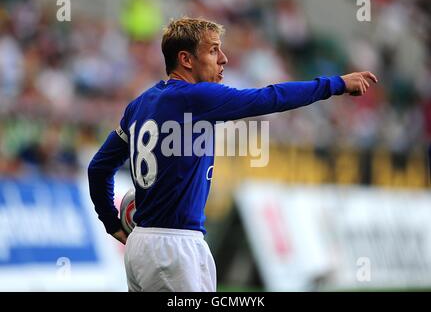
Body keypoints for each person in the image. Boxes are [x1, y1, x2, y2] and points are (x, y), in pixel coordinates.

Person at [87, 17, 378, 292]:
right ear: (186, 59)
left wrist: (111, 223)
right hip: (174, 247)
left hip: (140, 246)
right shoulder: (196, 97)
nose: (223, 58)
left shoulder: (139, 105)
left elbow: (99, 168)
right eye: (213, 51)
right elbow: (270, 97)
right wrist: (336, 84)